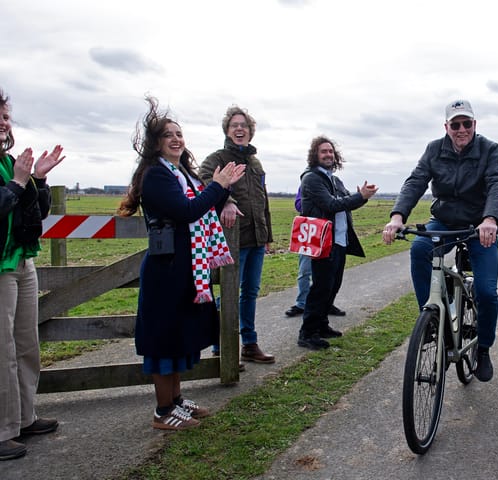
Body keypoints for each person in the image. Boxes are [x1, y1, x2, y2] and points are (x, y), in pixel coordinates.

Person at [119, 97, 245, 430]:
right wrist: (217, 186)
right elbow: (186, 212)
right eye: (168, 135)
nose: (176, 139)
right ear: (155, 143)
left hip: (186, 267)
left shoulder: (182, 174)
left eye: (179, 133)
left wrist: (221, 190)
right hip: (167, 270)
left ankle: (175, 401)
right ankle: (163, 412)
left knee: (177, 337)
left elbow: (203, 209)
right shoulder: (156, 176)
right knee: (164, 340)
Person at [383, 99, 498, 382]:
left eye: (466, 123)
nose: (461, 129)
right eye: (455, 124)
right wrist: (397, 216)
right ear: (446, 127)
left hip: (478, 226)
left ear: (474, 124)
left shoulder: (489, 149)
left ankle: (483, 348)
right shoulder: (434, 149)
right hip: (444, 220)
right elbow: (416, 181)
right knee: (419, 249)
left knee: (487, 292)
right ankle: (431, 318)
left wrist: (490, 219)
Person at [0, 88, 64, 460]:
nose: (3, 122)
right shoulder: (12, 172)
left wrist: (37, 179)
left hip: (22, 260)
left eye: (5, 116)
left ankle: (24, 418)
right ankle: (2, 429)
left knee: (26, 344)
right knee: (2, 349)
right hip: (1, 266)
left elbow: (35, 213)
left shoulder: (11, 163)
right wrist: (18, 182)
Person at [200, 106, 276, 364]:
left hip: (256, 239)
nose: (240, 129)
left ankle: (250, 344)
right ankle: (220, 345)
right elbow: (203, 180)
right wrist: (226, 201)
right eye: (234, 125)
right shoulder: (217, 158)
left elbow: (263, 200)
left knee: (250, 292)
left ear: (250, 131)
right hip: (231, 240)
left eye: (244, 125)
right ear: (227, 130)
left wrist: (267, 235)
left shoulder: (255, 163)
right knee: (228, 292)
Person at [297, 136, 377, 349]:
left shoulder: (335, 180)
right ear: (315, 155)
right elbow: (331, 204)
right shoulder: (311, 179)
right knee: (321, 287)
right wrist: (360, 196)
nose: (328, 155)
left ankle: (322, 325)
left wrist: (362, 197)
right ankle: (307, 333)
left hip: (339, 240)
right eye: (323, 151)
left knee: (333, 286)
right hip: (323, 241)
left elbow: (346, 203)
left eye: (331, 151)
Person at [284, 184, 346, 318]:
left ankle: (327, 304)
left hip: (330, 234)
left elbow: (344, 202)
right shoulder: (309, 182)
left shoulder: (337, 183)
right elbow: (299, 205)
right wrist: (322, 202)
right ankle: (301, 304)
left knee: (330, 274)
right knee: (304, 271)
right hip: (311, 232)